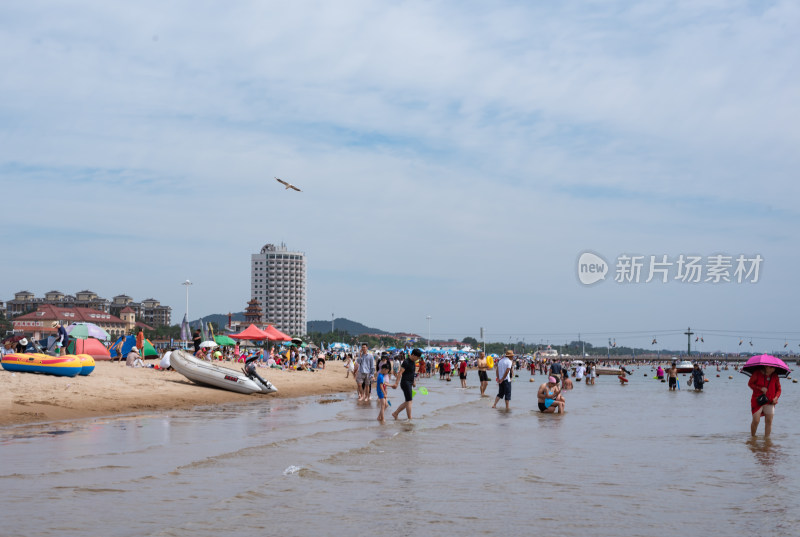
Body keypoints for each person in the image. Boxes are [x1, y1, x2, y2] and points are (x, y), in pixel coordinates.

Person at [749, 365, 782, 437]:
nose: (773, 370)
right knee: (756, 420)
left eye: (774, 368)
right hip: (757, 400)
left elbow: (779, 389)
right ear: (766, 367)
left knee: (769, 421)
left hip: (770, 401)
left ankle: (767, 440)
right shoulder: (757, 373)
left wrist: (776, 397)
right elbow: (750, 384)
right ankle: (753, 437)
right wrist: (760, 388)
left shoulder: (775, 376)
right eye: (772, 368)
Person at [392, 348, 420, 420]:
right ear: (413, 355)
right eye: (417, 357)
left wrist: (414, 381)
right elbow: (400, 373)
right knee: (409, 401)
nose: (417, 359)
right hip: (405, 382)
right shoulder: (406, 362)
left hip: (410, 382)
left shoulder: (413, 362)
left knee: (408, 401)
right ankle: (410, 418)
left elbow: (412, 373)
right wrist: (396, 383)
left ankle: (395, 413)